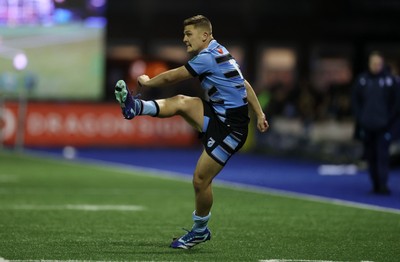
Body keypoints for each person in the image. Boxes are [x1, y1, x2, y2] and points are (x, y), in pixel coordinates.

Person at [114, 15, 269, 249]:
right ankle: (135, 107)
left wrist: (147, 81)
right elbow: (243, 83)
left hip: (231, 129)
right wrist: (259, 114)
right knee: (181, 102)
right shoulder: (220, 51)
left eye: (188, 34)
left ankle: (199, 231)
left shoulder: (207, 57)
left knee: (200, 180)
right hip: (219, 116)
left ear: (205, 35)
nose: (184, 39)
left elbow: (173, 75)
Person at [352, 51, 400, 195]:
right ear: (369, 64)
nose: (376, 66)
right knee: (371, 157)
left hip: (384, 126)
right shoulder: (362, 80)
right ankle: (375, 184)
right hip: (367, 126)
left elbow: (396, 104)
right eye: (373, 63)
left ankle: (383, 185)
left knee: (383, 156)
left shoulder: (390, 81)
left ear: (382, 64)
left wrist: (389, 123)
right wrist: (361, 119)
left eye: (378, 63)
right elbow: (355, 102)